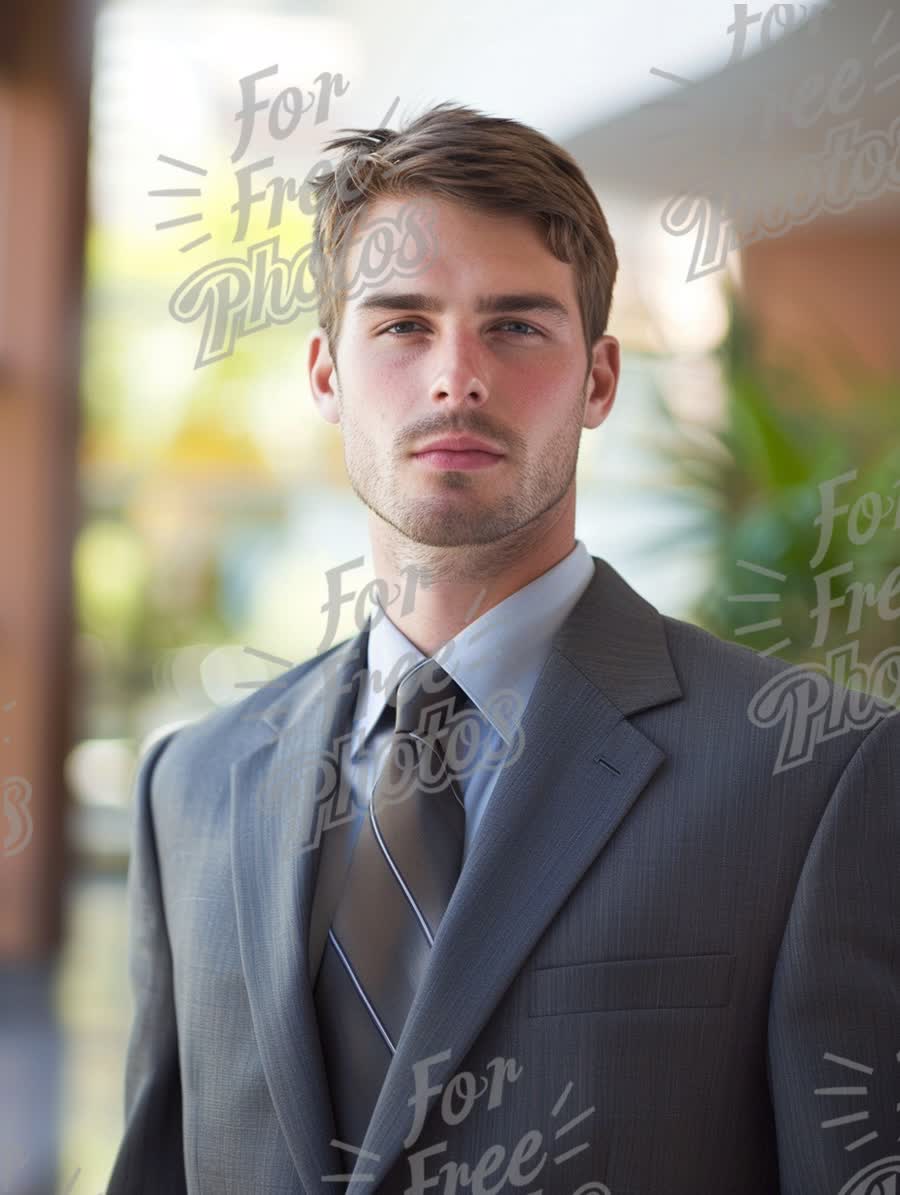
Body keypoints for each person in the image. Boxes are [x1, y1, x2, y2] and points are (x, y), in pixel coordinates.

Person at [107, 102, 900, 1195]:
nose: (455, 378)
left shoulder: (815, 776)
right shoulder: (187, 788)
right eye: (401, 324)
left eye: (517, 326)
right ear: (326, 375)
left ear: (601, 378)